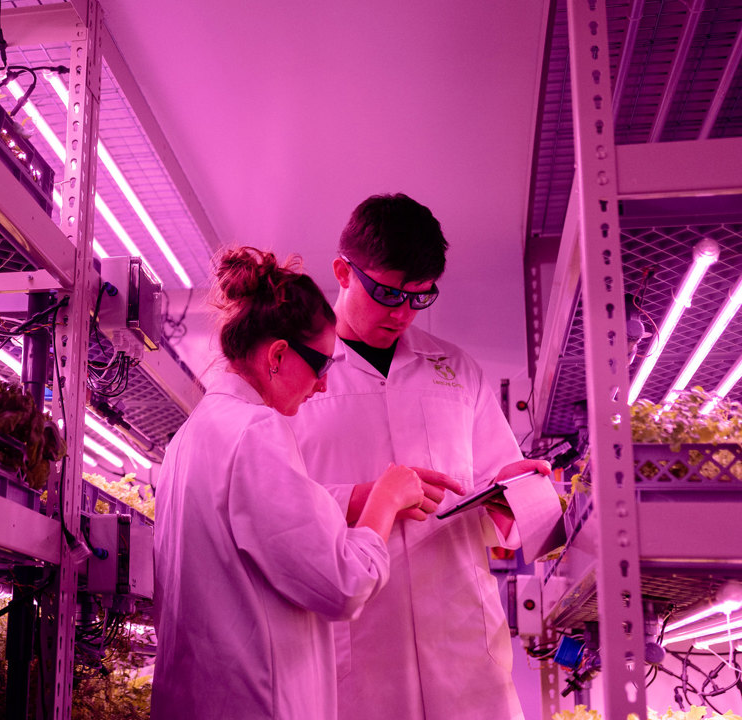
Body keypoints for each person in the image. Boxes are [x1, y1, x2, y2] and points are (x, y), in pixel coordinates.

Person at [152, 247, 450, 720]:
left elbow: (262, 516)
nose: (325, 385)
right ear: (277, 355)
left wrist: (356, 498)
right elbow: (344, 584)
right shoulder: (256, 431)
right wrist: (386, 501)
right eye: (322, 365)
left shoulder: (193, 436)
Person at [288, 193, 555, 720]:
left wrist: (511, 492)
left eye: (420, 298)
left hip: (462, 639)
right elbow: (268, 504)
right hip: (354, 641)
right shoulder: (294, 374)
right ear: (343, 271)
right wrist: (359, 501)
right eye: (387, 294)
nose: (402, 314)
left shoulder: (455, 370)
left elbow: (492, 484)